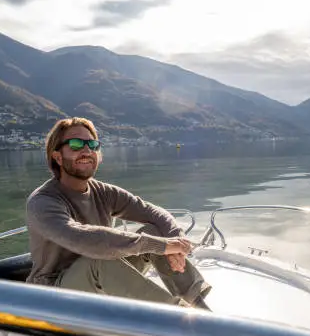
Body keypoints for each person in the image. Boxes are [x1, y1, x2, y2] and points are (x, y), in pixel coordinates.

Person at [25, 117, 211, 309]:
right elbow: (86, 240)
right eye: (76, 144)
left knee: (155, 230)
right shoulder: (43, 201)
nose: (86, 150)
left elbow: (154, 213)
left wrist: (175, 243)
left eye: (92, 144)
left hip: (101, 278)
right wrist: (162, 246)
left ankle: (199, 306)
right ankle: (180, 320)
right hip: (54, 295)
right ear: (57, 157)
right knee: (101, 259)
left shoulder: (104, 192)